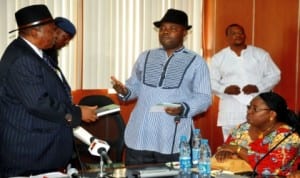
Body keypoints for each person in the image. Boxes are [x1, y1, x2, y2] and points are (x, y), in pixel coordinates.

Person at [0, 4, 97, 177]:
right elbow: (38, 103)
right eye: (52, 30)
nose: (55, 34)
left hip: (41, 152)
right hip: (29, 155)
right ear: (34, 32)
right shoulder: (22, 58)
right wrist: (76, 113)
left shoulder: (36, 53)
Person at [111, 8, 212, 165]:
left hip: (172, 136)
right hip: (140, 135)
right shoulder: (145, 56)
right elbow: (134, 87)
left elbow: (204, 98)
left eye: (172, 28)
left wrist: (182, 108)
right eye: (163, 28)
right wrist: (125, 91)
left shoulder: (196, 61)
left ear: (184, 33)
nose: (166, 32)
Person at [209, 23, 281, 141]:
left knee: (258, 143)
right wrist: (224, 89)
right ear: (227, 37)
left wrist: (258, 87)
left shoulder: (260, 54)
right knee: (231, 144)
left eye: (240, 33)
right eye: (233, 33)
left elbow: (275, 74)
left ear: (245, 35)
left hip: (258, 107)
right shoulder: (219, 58)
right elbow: (210, 81)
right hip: (231, 106)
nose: (238, 35)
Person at [214, 92, 300, 176]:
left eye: (255, 109)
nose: (249, 111)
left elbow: (270, 168)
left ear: (272, 114)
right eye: (249, 107)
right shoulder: (243, 128)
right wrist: (224, 152)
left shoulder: (288, 136)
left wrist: (238, 150)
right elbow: (227, 147)